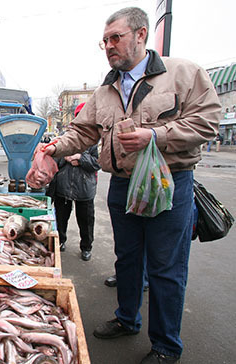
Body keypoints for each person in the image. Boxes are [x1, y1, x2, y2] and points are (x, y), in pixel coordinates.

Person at [39, 7, 220, 364]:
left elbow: (208, 121)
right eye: (104, 41)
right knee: (127, 259)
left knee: (166, 268)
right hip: (122, 185)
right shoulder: (105, 90)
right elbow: (83, 131)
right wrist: (54, 147)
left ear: (141, 35)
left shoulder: (183, 73)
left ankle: (166, 346)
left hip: (168, 184)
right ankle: (126, 318)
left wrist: (157, 134)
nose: (108, 46)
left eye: (115, 38)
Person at [46, 102, 100, 261]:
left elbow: (98, 163)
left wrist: (80, 158)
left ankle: (86, 247)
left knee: (86, 220)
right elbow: (54, 162)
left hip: (85, 187)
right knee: (61, 217)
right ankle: (60, 241)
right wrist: (65, 156)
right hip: (63, 185)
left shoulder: (95, 140)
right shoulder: (63, 137)